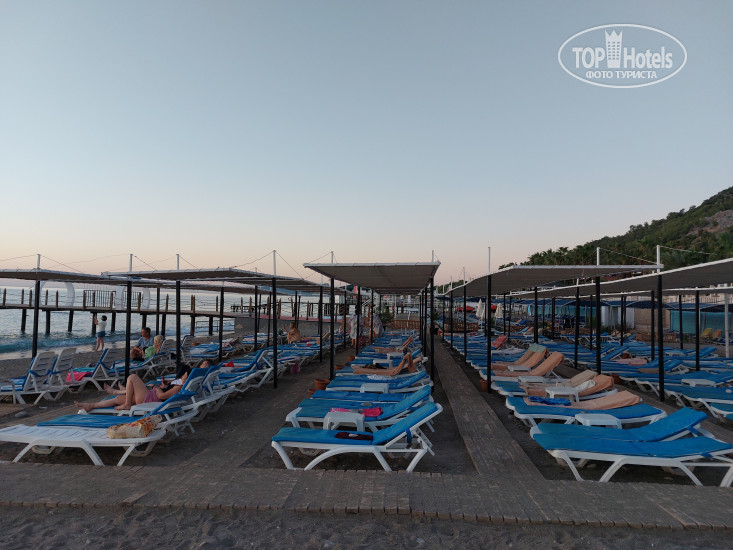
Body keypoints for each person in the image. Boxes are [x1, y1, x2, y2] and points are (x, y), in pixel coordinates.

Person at [74, 368, 189, 412]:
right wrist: (166, 385)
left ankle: (127, 404)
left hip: (150, 399)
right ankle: (91, 405)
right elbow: (166, 394)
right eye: (183, 374)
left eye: (185, 376)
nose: (183, 376)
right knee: (118, 399)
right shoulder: (179, 385)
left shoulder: (179, 387)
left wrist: (158, 388)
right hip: (148, 397)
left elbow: (162, 396)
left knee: (132, 377)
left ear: (187, 379)